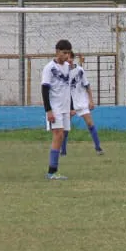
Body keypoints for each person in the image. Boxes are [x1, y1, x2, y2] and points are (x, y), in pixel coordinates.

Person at [61, 50, 104, 156]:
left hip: (82, 101)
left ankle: (98, 147)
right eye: (66, 59)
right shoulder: (62, 72)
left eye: (70, 58)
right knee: (66, 126)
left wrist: (91, 100)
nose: (69, 61)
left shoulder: (79, 70)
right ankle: (63, 150)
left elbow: (87, 85)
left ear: (73, 58)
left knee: (90, 123)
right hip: (68, 103)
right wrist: (69, 107)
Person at [42, 39, 73, 180]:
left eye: (68, 53)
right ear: (57, 52)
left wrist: (71, 107)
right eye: (63, 52)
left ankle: (54, 170)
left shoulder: (67, 66)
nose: (66, 55)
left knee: (62, 135)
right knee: (58, 135)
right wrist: (48, 110)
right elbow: (44, 89)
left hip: (65, 107)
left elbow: (68, 87)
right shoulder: (49, 68)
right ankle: (52, 171)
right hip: (55, 108)